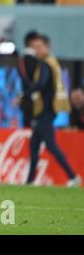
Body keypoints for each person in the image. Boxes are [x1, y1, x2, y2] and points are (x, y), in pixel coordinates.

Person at [25, 35, 81, 187]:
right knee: (34, 145)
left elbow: (42, 84)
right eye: (34, 47)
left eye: (39, 47)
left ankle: (73, 176)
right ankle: (29, 181)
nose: (37, 50)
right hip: (50, 110)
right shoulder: (53, 62)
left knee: (50, 145)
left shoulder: (45, 64)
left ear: (47, 47)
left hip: (46, 111)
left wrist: (26, 93)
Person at [18, 31, 40, 128]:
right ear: (31, 42)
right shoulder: (33, 60)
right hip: (34, 101)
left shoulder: (22, 59)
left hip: (26, 100)